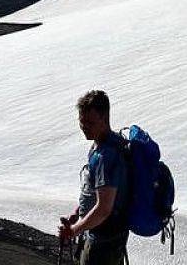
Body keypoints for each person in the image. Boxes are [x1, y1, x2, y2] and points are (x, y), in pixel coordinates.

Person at [59, 90, 130, 265]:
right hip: (109, 238)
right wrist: (78, 213)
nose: (84, 127)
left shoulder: (106, 156)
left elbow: (103, 208)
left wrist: (74, 229)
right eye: (81, 121)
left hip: (102, 243)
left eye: (89, 122)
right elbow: (97, 192)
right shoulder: (108, 144)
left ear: (104, 118)